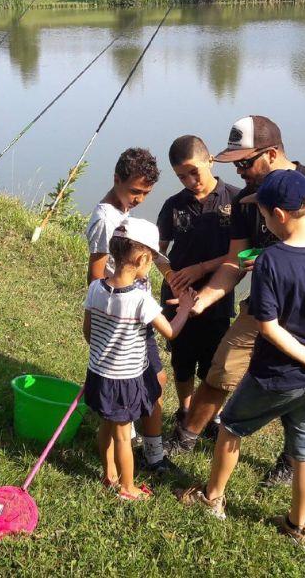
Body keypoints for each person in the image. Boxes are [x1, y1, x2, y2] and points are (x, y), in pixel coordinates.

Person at [165, 116, 305, 489]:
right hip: (264, 305)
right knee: (221, 370)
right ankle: (186, 437)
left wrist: (286, 257)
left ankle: (290, 460)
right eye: (234, 165)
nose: (239, 172)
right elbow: (234, 262)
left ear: (271, 154)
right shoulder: (246, 201)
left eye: (244, 162)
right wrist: (203, 299)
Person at [176, 169, 305, 548]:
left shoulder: (271, 261)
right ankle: (297, 527)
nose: (261, 221)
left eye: (261, 214)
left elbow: (269, 328)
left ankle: (212, 499)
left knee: (232, 428)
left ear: (278, 214)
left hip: (274, 375)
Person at [83, 218, 196, 500]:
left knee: (106, 425)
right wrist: (184, 308)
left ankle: (108, 474)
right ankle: (127, 487)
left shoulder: (95, 287)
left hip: (98, 372)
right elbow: (170, 331)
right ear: (143, 258)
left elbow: (88, 330)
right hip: (124, 379)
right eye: (151, 262)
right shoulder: (140, 300)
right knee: (123, 435)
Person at [84, 147, 174, 473]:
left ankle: (144, 444)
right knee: (154, 381)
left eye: (145, 193)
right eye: (134, 191)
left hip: (136, 315)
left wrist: (171, 274)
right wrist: (100, 317)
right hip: (126, 319)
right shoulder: (104, 219)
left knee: (153, 381)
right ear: (116, 179)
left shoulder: (123, 213)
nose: (138, 199)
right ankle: (152, 456)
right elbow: (96, 273)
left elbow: (146, 251)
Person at [157, 135, 240, 430]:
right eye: (182, 176)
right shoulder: (173, 205)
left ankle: (209, 417)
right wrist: (173, 278)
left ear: (210, 160)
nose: (190, 181)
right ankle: (185, 410)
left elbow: (246, 252)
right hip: (178, 297)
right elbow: (157, 251)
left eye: (194, 171)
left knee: (213, 362)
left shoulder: (236, 200)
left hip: (216, 296)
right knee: (182, 358)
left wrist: (202, 268)